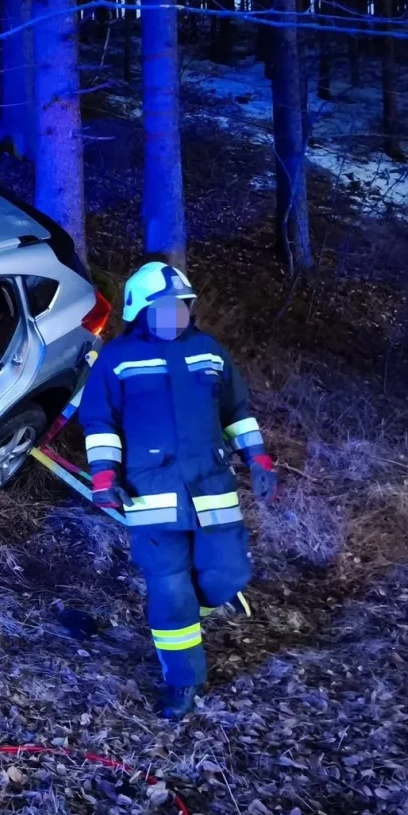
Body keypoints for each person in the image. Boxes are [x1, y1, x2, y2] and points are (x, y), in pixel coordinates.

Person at [78, 262, 278, 720]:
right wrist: (105, 476)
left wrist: (258, 459)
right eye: (164, 308)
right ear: (141, 311)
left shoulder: (209, 351)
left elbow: (236, 411)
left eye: (182, 307)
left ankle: (193, 611)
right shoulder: (118, 357)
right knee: (169, 590)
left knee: (228, 574)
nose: (175, 315)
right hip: (149, 493)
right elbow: (100, 423)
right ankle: (183, 681)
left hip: (212, 487)